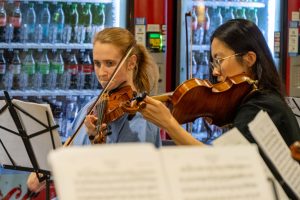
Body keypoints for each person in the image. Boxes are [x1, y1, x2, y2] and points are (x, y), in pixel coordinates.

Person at [27, 27, 161, 194]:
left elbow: (124, 187)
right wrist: (47, 168)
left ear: (131, 62)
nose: (102, 72)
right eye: (97, 63)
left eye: (109, 64)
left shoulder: (140, 117)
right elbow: (71, 148)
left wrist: (95, 142)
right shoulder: (91, 106)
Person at [139, 19, 300, 147]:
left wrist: (168, 123)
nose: (215, 72)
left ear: (249, 59)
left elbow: (223, 164)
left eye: (219, 60)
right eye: (213, 63)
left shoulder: (262, 107)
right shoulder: (256, 100)